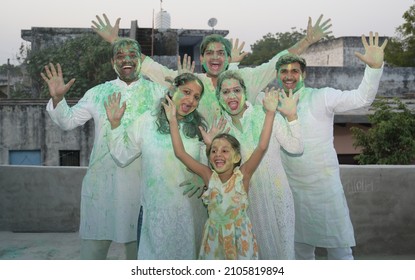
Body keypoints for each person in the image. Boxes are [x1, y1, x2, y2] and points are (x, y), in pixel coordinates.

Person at [41, 38, 166, 259]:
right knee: (92, 256)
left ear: (140, 60)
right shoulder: (97, 93)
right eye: (120, 55)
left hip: (143, 188)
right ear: (112, 62)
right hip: (102, 187)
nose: (126, 59)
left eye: (132, 54)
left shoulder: (158, 93)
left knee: (139, 257)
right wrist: (58, 98)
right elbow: (68, 121)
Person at [92, 14, 331, 126]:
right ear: (202, 59)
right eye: (209, 53)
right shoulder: (193, 84)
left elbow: (274, 64)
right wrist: (117, 43)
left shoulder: (245, 78)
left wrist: (306, 42)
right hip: (205, 159)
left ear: (228, 58)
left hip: (243, 159)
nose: (215, 57)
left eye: (221, 53)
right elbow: (153, 69)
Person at [277, 32, 388, 260]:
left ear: (303, 74)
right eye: (284, 71)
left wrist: (374, 69)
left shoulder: (322, 97)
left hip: (325, 189)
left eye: (294, 71)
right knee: (301, 254)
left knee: (340, 253)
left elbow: (361, 99)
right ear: (278, 75)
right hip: (292, 191)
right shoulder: (270, 104)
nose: (289, 76)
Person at [162, 83, 281, 260]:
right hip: (213, 242)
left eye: (225, 151)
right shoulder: (208, 176)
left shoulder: (244, 175)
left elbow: (262, 147)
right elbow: (180, 153)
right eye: (214, 151)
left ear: (236, 157)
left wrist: (270, 113)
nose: (218, 154)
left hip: (241, 242)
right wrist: (172, 121)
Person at [105, 73, 217, 259]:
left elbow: (211, 164)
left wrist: (203, 179)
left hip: (190, 213)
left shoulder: (199, 127)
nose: (191, 100)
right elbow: (121, 156)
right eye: (186, 92)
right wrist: (115, 125)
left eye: (196, 97)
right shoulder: (146, 122)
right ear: (172, 90)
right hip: (155, 214)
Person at [213, 71, 303, 259]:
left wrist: (292, 116)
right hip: (246, 205)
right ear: (218, 96)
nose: (232, 96)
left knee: (284, 256)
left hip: (278, 198)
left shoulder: (266, 115)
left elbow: (296, 148)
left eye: (236, 90)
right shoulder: (219, 128)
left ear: (245, 92)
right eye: (225, 92)